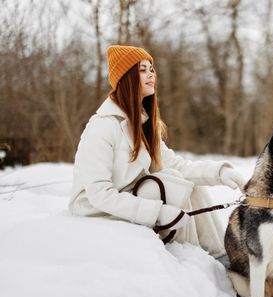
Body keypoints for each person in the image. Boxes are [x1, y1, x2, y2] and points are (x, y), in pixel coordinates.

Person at [69, 45, 245, 258]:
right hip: (97, 209)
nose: (151, 74)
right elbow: (99, 194)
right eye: (142, 70)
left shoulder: (141, 124)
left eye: (151, 69)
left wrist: (220, 173)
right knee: (172, 182)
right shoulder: (103, 126)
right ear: (127, 78)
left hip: (131, 195)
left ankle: (223, 257)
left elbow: (175, 164)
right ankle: (191, 257)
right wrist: (157, 213)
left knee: (191, 186)